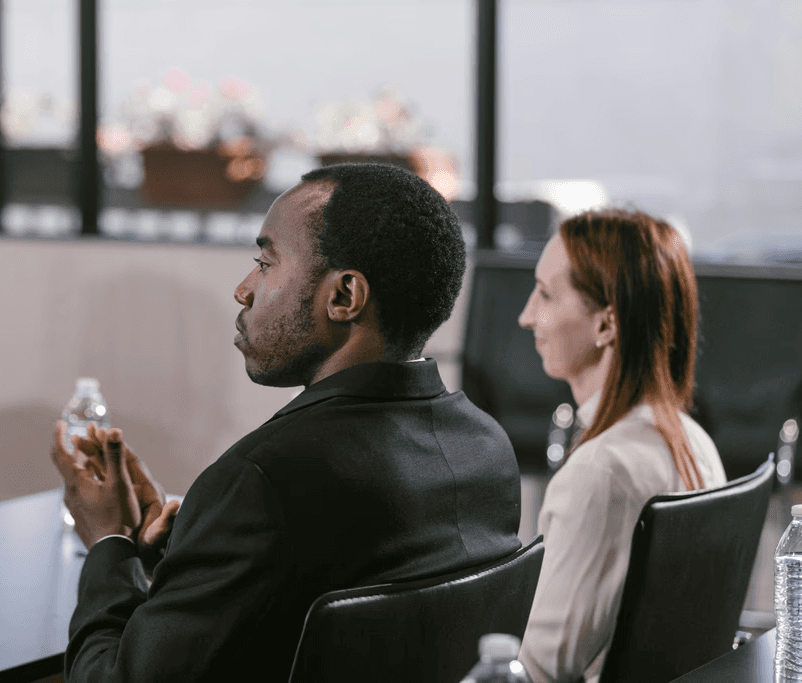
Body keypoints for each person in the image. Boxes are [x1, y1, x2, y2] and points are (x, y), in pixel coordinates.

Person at [50, 163, 522, 682]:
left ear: (344, 297)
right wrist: (192, 552)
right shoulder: (486, 449)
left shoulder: (263, 481)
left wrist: (107, 545)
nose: (244, 289)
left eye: (265, 262)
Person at [516, 208, 727, 683]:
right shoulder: (695, 444)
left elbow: (538, 671)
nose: (527, 316)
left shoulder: (600, 473)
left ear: (606, 325)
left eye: (546, 295)